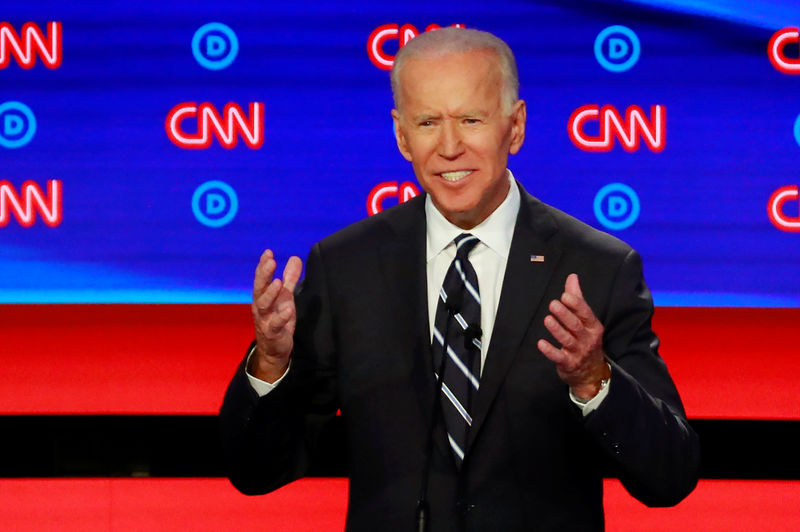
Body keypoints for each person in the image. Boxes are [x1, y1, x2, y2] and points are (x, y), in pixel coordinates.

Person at [220, 27, 700, 531]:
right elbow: (257, 471)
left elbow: (670, 476)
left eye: (471, 119)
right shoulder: (346, 267)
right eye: (428, 122)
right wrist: (271, 364)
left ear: (515, 126)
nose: (450, 147)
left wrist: (593, 380)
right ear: (402, 135)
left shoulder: (597, 268)